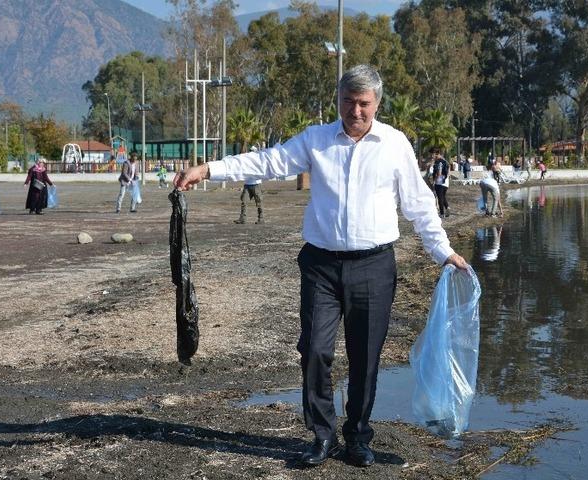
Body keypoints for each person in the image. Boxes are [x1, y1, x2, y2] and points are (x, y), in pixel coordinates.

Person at [174, 64, 468, 468]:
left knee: (366, 357)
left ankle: (358, 437)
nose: (356, 111)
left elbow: (419, 206)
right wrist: (209, 170)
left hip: (374, 266)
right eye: (349, 102)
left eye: (364, 103)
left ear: (376, 104)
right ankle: (322, 434)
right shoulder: (316, 140)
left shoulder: (395, 144)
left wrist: (443, 252)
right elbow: (268, 162)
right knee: (314, 350)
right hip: (320, 267)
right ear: (339, 101)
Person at [430, 147, 450, 218]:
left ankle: (442, 213)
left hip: (440, 182)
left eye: (432, 154)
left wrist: (434, 181)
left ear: (435, 154)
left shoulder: (439, 162)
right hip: (446, 182)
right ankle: (447, 207)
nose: (431, 156)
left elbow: (439, 173)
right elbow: (448, 172)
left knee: (440, 198)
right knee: (443, 196)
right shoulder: (445, 161)